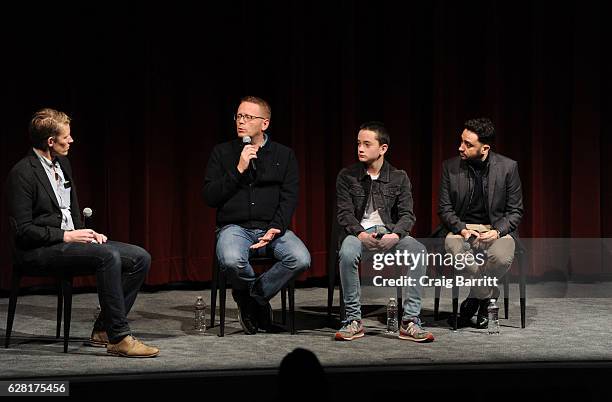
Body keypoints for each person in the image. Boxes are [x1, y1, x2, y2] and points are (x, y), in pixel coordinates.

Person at [6, 108, 159, 357]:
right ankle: (119, 337)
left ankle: (102, 330)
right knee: (108, 257)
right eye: (66, 137)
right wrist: (66, 236)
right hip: (38, 251)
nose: (71, 141)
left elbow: (70, 209)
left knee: (140, 257)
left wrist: (85, 232)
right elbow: (24, 231)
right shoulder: (22, 173)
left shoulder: (63, 163)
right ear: (50, 141)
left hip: (69, 242)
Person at [203, 96, 311, 334]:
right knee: (231, 260)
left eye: (248, 117)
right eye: (239, 116)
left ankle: (251, 298)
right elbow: (210, 197)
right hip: (234, 228)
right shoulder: (222, 153)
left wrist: (277, 226)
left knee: (300, 258)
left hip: (271, 228)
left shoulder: (284, 155)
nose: (241, 122)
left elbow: (289, 197)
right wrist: (238, 169)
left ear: (264, 124)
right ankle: (254, 302)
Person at [334, 121, 434, 342]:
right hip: (358, 234)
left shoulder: (399, 177)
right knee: (348, 252)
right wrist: (360, 234)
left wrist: (395, 236)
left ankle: (410, 321)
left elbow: (408, 214)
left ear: (383, 148)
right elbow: (345, 214)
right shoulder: (347, 176)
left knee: (418, 251)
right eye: (358, 143)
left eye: (367, 144)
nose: (360, 148)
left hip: (390, 233)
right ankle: (353, 320)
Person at [437, 117, 523, 328]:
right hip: (462, 227)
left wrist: (497, 232)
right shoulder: (449, 167)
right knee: (455, 248)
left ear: (484, 148)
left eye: (468, 144)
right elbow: (445, 209)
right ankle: (488, 296)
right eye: (461, 141)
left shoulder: (508, 167)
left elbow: (515, 211)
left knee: (501, 258)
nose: (461, 147)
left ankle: (475, 297)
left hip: (495, 228)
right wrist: (463, 230)